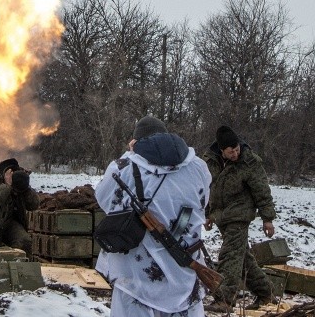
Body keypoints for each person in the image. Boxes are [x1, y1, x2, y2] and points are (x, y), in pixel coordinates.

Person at [94, 115, 212, 317]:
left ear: (137, 141)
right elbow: (203, 201)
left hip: (137, 276)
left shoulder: (124, 166)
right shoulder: (199, 167)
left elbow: (104, 200)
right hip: (185, 270)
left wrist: (129, 153)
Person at [203, 125, 276, 312]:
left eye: (237, 149)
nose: (235, 153)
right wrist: (207, 214)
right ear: (221, 150)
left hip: (240, 215)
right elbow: (206, 188)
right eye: (231, 151)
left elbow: (262, 191)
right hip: (221, 215)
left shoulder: (249, 162)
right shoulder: (210, 161)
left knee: (229, 255)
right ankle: (266, 293)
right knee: (242, 258)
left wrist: (267, 218)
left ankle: (225, 298)